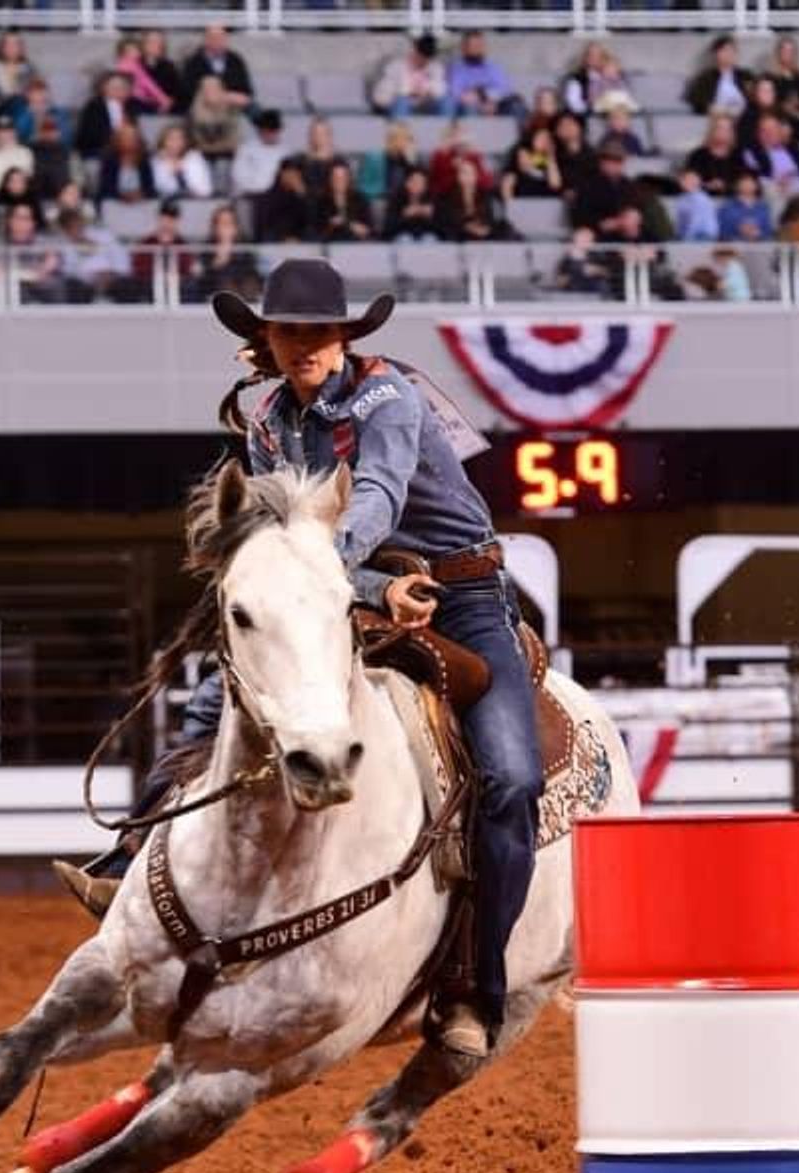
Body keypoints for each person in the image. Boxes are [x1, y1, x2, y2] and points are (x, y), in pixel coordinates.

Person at [63, 259, 540, 1061]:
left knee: (510, 777)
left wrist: (318, 573)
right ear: (268, 340)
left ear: (345, 338)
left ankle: (476, 984)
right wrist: (357, 583)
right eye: (289, 333)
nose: (304, 346)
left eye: (319, 333)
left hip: (464, 593)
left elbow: (378, 494)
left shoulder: (390, 400)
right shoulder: (270, 421)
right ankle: (131, 854)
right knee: (222, 700)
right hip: (356, 588)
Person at [178, 24, 253, 112]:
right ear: (206, 40)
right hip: (204, 105)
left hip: (233, 105)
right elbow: (187, 91)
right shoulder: (194, 61)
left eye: (221, 38)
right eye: (214, 38)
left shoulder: (235, 60)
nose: (218, 41)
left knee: (257, 111)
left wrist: (240, 97)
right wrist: (220, 96)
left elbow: (246, 90)